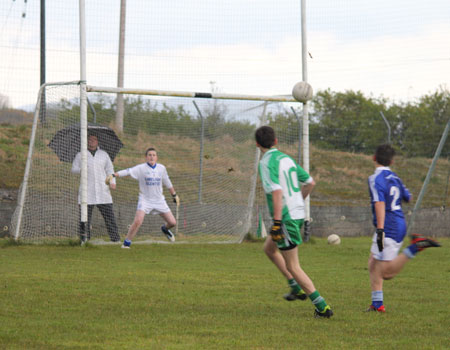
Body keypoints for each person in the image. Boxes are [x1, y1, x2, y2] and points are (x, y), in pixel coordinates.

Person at [255, 125, 333, 318]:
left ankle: (322, 307)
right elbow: (310, 182)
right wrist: (298, 201)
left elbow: (276, 191)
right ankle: (295, 287)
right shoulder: (286, 158)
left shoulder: (265, 163)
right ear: (276, 141)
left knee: (293, 266)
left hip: (286, 218)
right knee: (269, 249)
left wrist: (277, 222)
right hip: (297, 213)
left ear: (257, 144)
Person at [367, 144, 441, 312]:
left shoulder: (375, 178)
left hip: (388, 226)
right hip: (396, 222)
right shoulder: (394, 177)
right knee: (373, 263)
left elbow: (379, 202)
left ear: (374, 157)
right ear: (392, 161)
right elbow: (408, 197)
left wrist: (380, 230)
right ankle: (377, 304)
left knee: (386, 273)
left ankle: (415, 247)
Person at [106, 147, 180, 248]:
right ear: (146, 157)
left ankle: (165, 229)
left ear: (157, 157)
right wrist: (113, 175)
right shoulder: (141, 168)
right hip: (145, 200)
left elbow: (167, 182)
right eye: (149, 155)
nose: (152, 157)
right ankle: (126, 243)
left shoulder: (161, 168)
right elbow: (128, 171)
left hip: (159, 200)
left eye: (154, 155)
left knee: (172, 222)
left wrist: (174, 195)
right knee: (138, 221)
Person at [71, 133, 120, 242]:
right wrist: (81, 169)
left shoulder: (104, 154)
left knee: (109, 217)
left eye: (94, 139)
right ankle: (84, 240)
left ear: (97, 141)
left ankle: (115, 239)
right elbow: (73, 169)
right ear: (86, 141)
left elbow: (110, 170)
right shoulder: (80, 155)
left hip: (103, 191)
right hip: (87, 192)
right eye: (89, 139)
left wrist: (112, 181)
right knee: (84, 218)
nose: (91, 141)